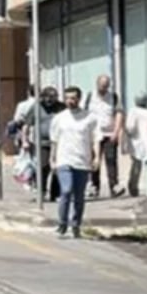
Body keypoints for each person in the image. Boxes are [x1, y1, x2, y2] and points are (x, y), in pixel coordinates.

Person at [50, 86, 100, 238]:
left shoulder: (89, 118)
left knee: (79, 196)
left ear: (79, 99)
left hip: (82, 161)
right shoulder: (59, 118)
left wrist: (97, 157)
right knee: (66, 190)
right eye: (67, 98)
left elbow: (96, 139)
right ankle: (62, 224)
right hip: (64, 159)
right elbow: (54, 140)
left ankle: (76, 224)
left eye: (73, 98)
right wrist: (52, 158)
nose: (70, 101)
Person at [84, 74, 123, 198]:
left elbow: (119, 114)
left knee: (111, 160)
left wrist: (116, 131)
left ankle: (114, 186)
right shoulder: (90, 96)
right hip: (94, 134)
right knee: (94, 160)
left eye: (106, 86)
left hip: (109, 134)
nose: (104, 88)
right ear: (97, 84)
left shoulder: (113, 97)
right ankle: (94, 186)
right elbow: (84, 113)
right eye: (102, 86)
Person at [125, 93, 147, 198]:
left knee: (136, 165)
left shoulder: (133, 111)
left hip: (136, 142)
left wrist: (129, 135)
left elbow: (130, 127)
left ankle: (133, 186)